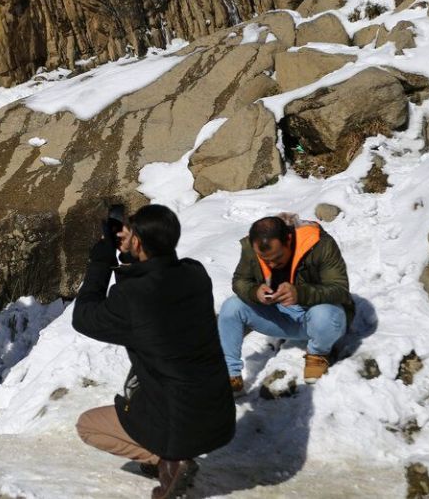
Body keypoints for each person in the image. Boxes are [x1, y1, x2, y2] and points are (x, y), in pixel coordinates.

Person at [73, 204, 235, 499]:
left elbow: (83, 317)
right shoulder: (195, 274)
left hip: (179, 425)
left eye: (131, 232)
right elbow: (147, 295)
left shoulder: (133, 297)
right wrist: (130, 257)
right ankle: (171, 454)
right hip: (220, 418)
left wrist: (101, 260)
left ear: (138, 241)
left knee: (88, 426)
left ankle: (169, 461)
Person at [218, 214, 354, 392]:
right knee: (232, 307)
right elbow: (240, 280)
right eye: (266, 260)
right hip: (281, 315)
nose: (272, 264)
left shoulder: (319, 244)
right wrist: (254, 291)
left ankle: (318, 354)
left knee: (324, 315)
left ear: (288, 239)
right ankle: (231, 375)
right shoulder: (253, 248)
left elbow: (339, 289)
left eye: (277, 257)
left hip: (318, 318)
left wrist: (301, 294)